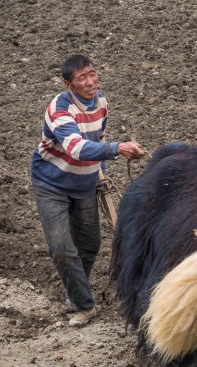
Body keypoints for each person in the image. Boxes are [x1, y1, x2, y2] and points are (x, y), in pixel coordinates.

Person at [30, 54, 145, 327]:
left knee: (90, 245)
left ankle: (75, 296)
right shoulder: (60, 109)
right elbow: (77, 147)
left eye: (92, 74)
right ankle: (84, 305)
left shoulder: (101, 102)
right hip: (52, 183)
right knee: (61, 248)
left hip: (85, 183)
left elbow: (98, 136)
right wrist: (118, 149)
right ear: (68, 83)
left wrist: (100, 171)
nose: (90, 82)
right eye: (82, 78)